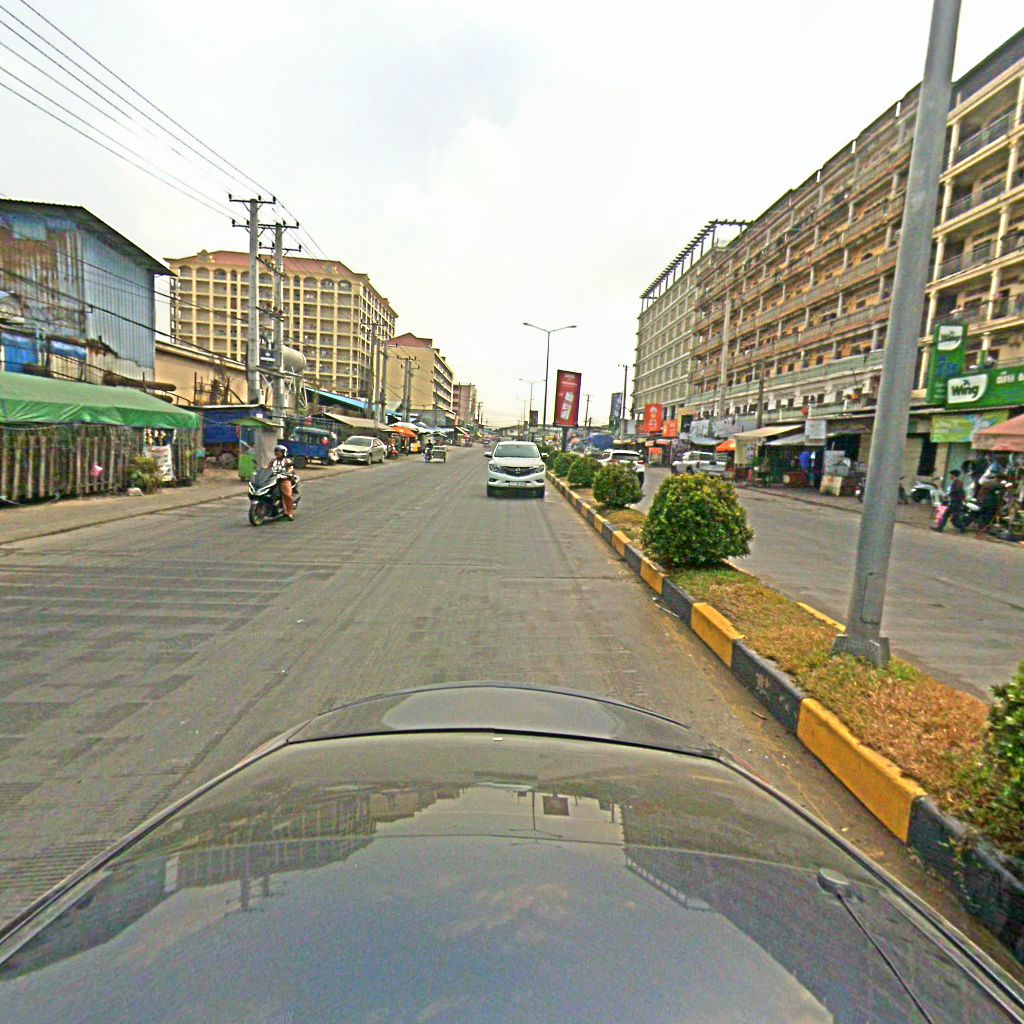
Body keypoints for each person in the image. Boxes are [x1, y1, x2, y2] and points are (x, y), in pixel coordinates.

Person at [268, 443, 297, 520]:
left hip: (284, 479)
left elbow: (291, 469)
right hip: (273, 479)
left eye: (279, 451)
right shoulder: (273, 461)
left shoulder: (287, 461)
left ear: (284, 452)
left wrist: (288, 472)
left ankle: (290, 512)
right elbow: (267, 468)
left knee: (287, 494)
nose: (277, 453)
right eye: (276, 451)